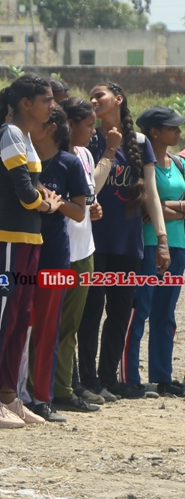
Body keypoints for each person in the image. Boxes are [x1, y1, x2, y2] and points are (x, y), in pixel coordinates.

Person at [0, 74, 60, 428]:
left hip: (27, 239)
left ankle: (9, 396)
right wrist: (48, 204)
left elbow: (30, 187)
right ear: (26, 103)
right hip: (8, 238)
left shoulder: (23, 136)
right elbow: (26, 194)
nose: (52, 106)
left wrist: (41, 198)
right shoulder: (10, 134)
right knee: (5, 317)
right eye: (46, 100)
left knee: (22, 317)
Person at [78, 82, 169, 402]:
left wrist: (161, 239)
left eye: (99, 95)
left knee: (119, 313)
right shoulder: (88, 138)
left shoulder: (141, 142)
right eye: (90, 96)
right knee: (91, 312)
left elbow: (152, 194)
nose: (93, 100)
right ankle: (87, 380)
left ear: (118, 99)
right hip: (94, 241)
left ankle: (109, 379)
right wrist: (109, 149)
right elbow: (90, 187)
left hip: (129, 243)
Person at [21, 105, 89, 422]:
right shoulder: (20, 159)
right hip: (22, 251)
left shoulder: (68, 163)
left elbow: (79, 212)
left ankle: (42, 398)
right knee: (21, 325)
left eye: (36, 121)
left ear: (49, 128)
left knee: (48, 328)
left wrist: (53, 200)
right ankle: (14, 394)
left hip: (55, 255)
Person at [53, 98, 109, 414]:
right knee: (55, 325)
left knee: (71, 326)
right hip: (60, 251)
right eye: (89, 125)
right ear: (70, 125)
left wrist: (93, 208)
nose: (93, 131)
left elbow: (86, 199)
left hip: (85, 249)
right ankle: (54, 389)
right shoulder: (53, 158)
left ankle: (66, 386)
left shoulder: (86, 156)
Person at [126, 107, 185, 397]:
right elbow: (146, 206)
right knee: (140, 310)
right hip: (148, 244)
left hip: (177, 245)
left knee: (166, 313)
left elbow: (157, 207)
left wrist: (164, 207)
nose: (178, 132)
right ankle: (130, 377)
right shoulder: (140, 165)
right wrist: (176, 208)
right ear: (154, 132)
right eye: (172, 128)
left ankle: (163, 376)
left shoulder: (179, 163)